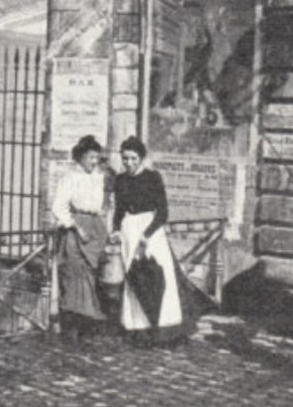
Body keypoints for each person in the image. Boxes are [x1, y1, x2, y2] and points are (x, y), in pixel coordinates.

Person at [112, 136, 188, 346]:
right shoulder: (120, 180)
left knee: (158, 275)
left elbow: (163, 212)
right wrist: (116, 230)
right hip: (129, 232)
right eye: (125, 158)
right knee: (134, 277)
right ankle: (138, 328)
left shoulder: (153, 178)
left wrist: (147, 235)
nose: (128, 163)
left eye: (133, 158)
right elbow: (119, 211)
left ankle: (164, 329)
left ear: (142, 158)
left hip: (151, 231)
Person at [48, 134, 111, 343]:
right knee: (76, 277)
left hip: (95, 228)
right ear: (81, 157)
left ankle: (89, 328)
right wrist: (74, 225)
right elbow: (58, 206)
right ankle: (72, 329)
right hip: (76, 232)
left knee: (94, 278)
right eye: (91, 157)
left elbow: (102, 206)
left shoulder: (98, 177)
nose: (94, 161)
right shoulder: (70, 178)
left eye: (96, 157)